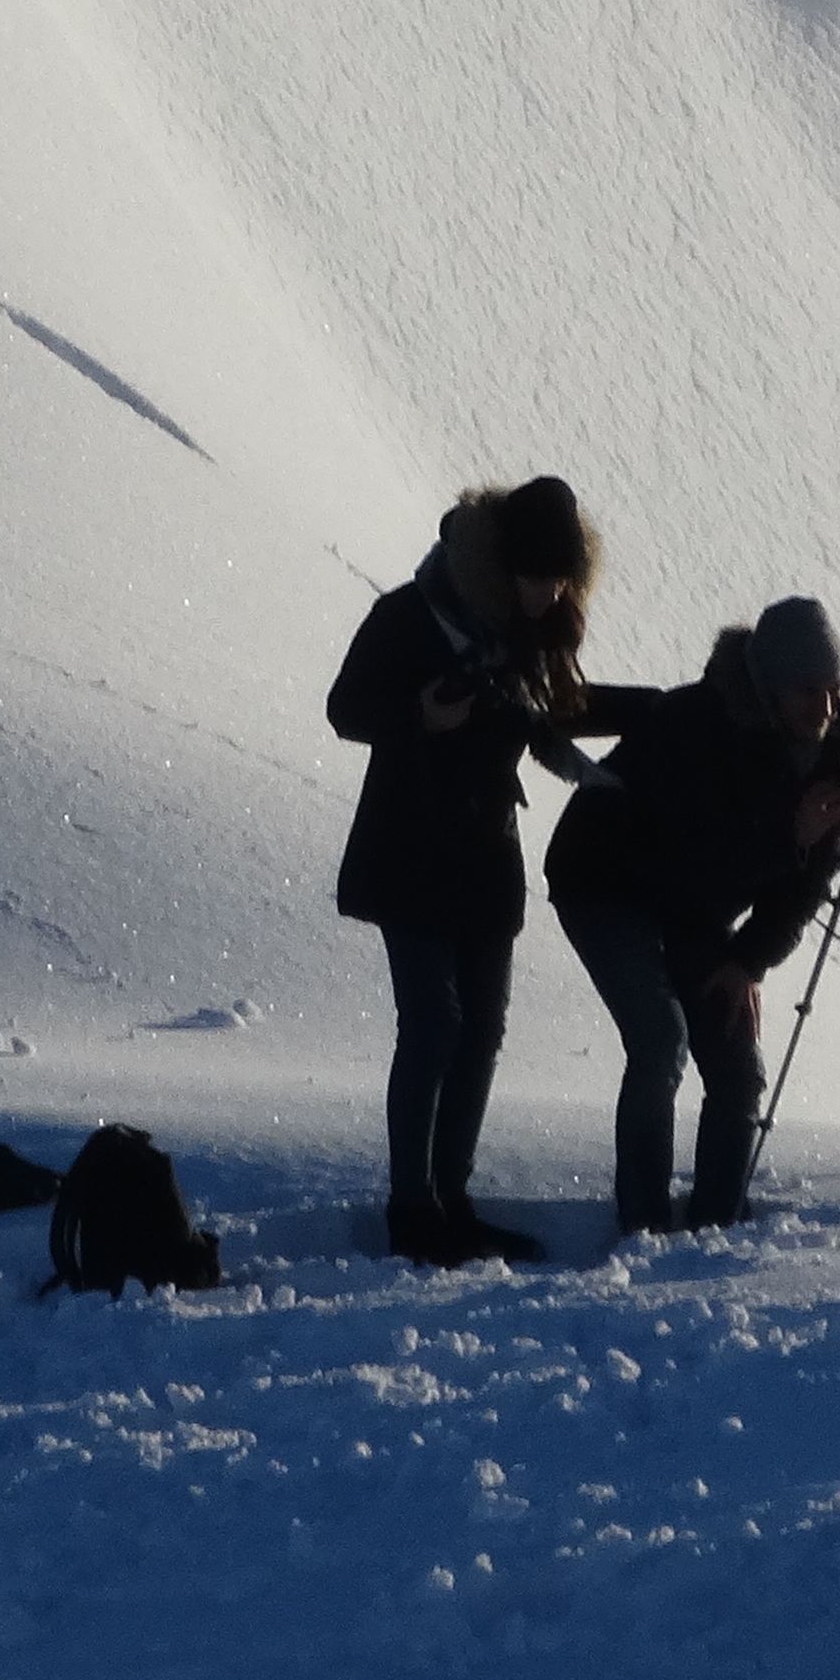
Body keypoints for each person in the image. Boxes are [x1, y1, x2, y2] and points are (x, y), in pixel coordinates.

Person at [328, 475, 614, 1265]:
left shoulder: (532, 633)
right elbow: (345, 706)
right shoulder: (411, 613)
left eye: (561, 578)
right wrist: (419, 713)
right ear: (504, 566)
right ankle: (411, 1211)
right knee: (434, 1028)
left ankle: (449, 1199)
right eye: (538, 576)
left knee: (481, 1030)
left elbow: (557, 711)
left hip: (485, 856)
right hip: (411, 847)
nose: (550, 591)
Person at [545, 593, 840, 1239]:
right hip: (606, 881)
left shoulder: (826, 749)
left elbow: (806, 881)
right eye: (809, 690)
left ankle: (714, 1225)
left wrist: (747, 959)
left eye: (834, 690)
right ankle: (643, 1222)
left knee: (736, 1064)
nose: (827, 707)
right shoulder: (697, 728)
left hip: (693, 903)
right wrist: (793, 834)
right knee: (660, 1039)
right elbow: (700, 855)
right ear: (771, 688)